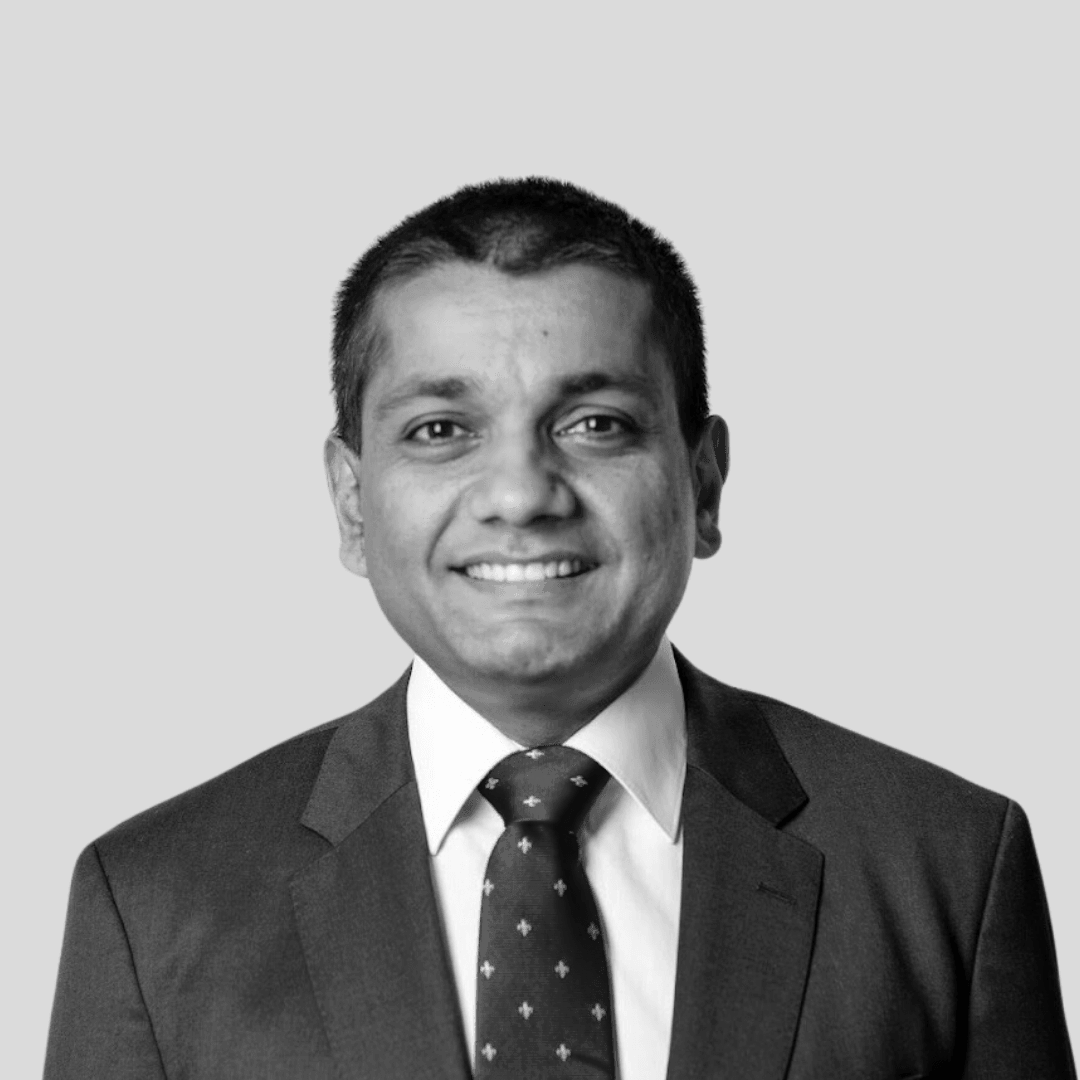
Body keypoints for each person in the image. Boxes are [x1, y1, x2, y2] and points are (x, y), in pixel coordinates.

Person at [44, 178, 1075, 1079]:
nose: (522, 493)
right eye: (441, 431)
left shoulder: (944, 861)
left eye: (597, 426)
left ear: (704, 484)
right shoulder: (154, 902)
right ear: (353, 503)